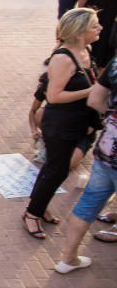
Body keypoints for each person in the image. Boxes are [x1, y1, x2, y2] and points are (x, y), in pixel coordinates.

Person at [23, 9, 101, 239]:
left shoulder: (86, 50)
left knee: (54, 170)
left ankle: (39, 205)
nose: (100, 28)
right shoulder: (62, 58)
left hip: (80, 122)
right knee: (56, 170)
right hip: (60, 124)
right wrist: (91, 91)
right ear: (79, 32)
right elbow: (54, 96)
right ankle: (32, 213)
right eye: (95, 25)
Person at [55, 55, 117, 272]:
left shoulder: (115, 62)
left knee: (89, 202)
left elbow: (94, 100)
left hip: (108, 147)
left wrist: (111, 116)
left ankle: (68, 258)